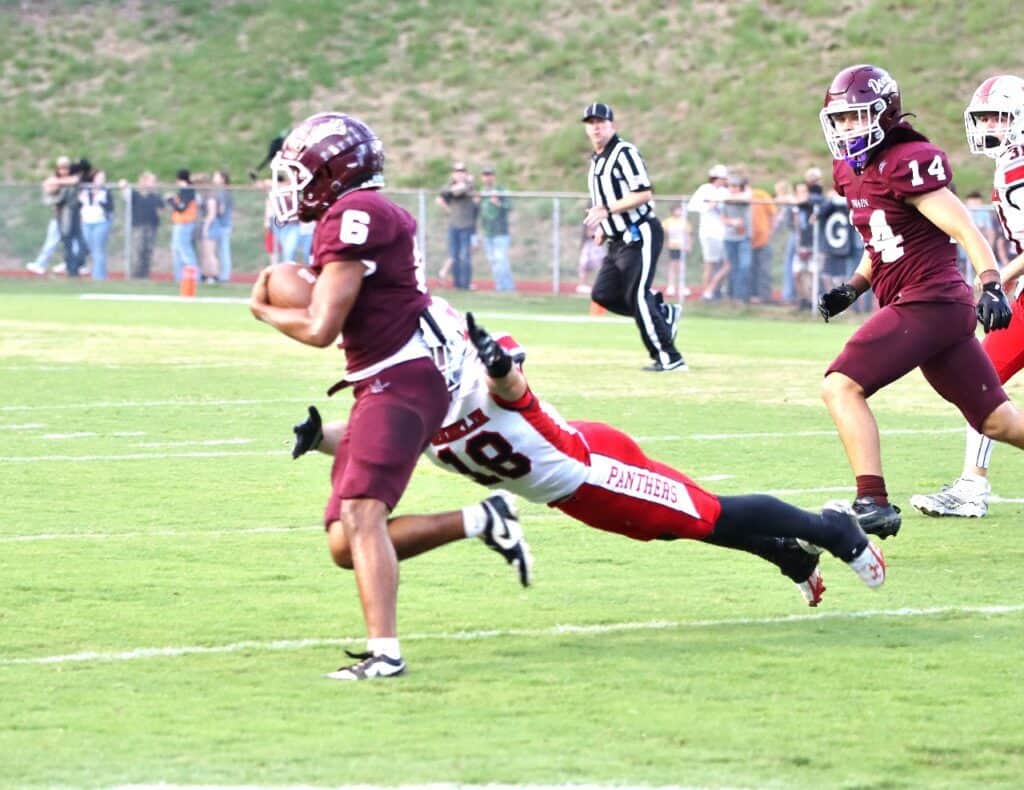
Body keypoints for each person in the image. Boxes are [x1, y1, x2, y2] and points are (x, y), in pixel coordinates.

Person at [293, 312, 886, 617]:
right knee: (683, 522)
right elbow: (367, 437)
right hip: (574, 486)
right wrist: (321, 436)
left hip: (592, 469)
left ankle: (828, 529)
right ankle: (784, 552)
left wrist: (497, 362)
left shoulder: (476, 381)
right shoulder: (412, 415)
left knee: (703, 514)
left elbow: (510, 385)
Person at [250, 112, 531, 682]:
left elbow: (321, 328)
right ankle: (484, 519)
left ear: (333, 173)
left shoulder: (356, 215)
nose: (292, 187)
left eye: (300, 173)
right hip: (385, 378)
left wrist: (263, 308)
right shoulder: (361, 212)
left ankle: (385, 654)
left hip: (399, 378)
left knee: (361, 513)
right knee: (342, 543)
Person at [816, 64, 1024, 540]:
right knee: (998, 420)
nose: (847, 128)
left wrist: (991, 281)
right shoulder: (853, 171)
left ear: (884, 113)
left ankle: (872, 501)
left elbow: (961, 227)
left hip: (928, 301)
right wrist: (853, 287)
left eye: (856, 117)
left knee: (841, 386)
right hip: (930, 306)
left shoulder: (906, 158)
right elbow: (883, 240)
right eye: (840, 119)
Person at [911, 75, 1024, 518]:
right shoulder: (1011, 161)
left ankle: (972, 487)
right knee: (980, 378)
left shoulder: (1019, 165)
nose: (990, 126)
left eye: (999, 117)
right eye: (984, 118)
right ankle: (971, 485)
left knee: (979, 378)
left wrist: (1000, 275)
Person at [582, 102, 684, 372]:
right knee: (603, 294)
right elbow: (605, 198)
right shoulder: (596, 160)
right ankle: (661, 314)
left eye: (600, 123)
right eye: (591, 123)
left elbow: (643, 192)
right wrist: (605, 228)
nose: (596, 128)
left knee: (637, 295)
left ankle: (669, 357)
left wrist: (606, 210)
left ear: (612, 125)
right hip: (617, 241)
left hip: (641, 233)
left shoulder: (624, 152)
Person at [687, 165, 729, 301]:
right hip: (709, 232)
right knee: (710, 264)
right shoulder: (705, 189)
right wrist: (709, 205)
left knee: (725, 263)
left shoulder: (725, 192)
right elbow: (692, 206)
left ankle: (716, 289)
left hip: (723, 232)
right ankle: (706, 293)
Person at [436, 163, 477, 289]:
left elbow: (460, 191)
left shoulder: (469, 185)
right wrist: (452, 191)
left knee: (465, 256)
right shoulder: (449, 187)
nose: (459, 174)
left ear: (466, 173)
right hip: (454, 225)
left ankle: (466, 284)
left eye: (462, 172)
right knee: (454, 256)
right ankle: (457, 284)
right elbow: (443, 193)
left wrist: (461, 186)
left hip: (467, 226)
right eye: (457, 172)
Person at [476, 166, 515, 292]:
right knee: (493, 262)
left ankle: (507, 288)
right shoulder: (482, 192)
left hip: (500, 232)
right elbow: (480, 212)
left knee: (501, 261)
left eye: (490, 175)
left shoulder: (500, 190)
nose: (487, 178)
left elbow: (510, 206)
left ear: (494, 177)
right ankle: (500, 287)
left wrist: (498, 203)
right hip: (488, 232)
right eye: (485, 175)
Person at [121, 171, 162, 279]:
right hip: (138, 226)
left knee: (148, 252)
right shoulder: (135, 194)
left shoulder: (155, 196)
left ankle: (145, 275)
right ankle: (134, 275)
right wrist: (123, 187)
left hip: (151, 226)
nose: (153, 183)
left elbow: (161, 209)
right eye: (151, 181)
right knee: (137, 251)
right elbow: (126, 196)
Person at [722, 174, 753, 302]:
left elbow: (748, 197)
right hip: (729, 238)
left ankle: (742, 296)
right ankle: (734, 296)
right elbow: (723, 218)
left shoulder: (744, 198)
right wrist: (732, 222)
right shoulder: (725, 199)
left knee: (745, 266)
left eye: (735, 186)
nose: (733, 189)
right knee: (733, 268)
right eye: (730, 186)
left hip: (743, 238)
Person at [79, 169, 114, 280]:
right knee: (90, 248)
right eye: (100, 178)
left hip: (100, 223)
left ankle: (99, 277)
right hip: (86, 223)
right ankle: (98, 274)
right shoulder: (85, 190)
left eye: (103, 178)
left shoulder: (105, 192)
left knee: (98, 250)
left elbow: (110, 208)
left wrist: (101, 203)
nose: (102, 180)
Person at [200, 169, 233, 283]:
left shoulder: (221, 191)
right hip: (222, 224)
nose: (214, 178)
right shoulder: (225, 191)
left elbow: (221, 209)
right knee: (217, 251)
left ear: (223, 179)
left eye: (216, 176)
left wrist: (211, 217)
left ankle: (222, 276)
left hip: (222, 224)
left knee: (222, 251)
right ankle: (216, 275)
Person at [166, 169, 198, 282]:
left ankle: (193, 278)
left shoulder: (188, 191)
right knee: (176, 250)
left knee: (185, 251)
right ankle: (179, 278)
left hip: (184, 224)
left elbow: (181, 208)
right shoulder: (184, 191)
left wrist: (170, 201)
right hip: (179, 224)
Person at [662, 202, 689, 297]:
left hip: (682, 247)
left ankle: (682, 286)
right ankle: (671, 286)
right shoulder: (668, 221)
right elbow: (663, 233)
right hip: (672, 246)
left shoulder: (684, 221)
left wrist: (688, 245)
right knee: (673, 265)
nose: (679, 212)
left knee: (681, 266)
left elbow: (688, 234)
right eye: (677, 210)